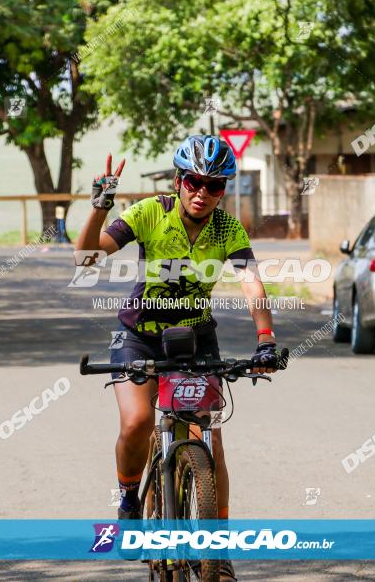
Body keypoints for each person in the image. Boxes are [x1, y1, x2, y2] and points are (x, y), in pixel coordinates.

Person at [75, 135, 280, 582]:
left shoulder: (228, 229)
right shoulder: (150, 212)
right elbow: (87, 257)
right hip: (140, 336)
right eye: (193, 181)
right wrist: (100, 205)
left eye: (214, 185)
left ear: (223, 189)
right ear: (178, 180)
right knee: (136, 423)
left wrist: (265, 339)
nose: (202, 192)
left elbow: (252, 284)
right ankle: (129, 497)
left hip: (195, 340)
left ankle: (218, 549)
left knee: (210, 441)